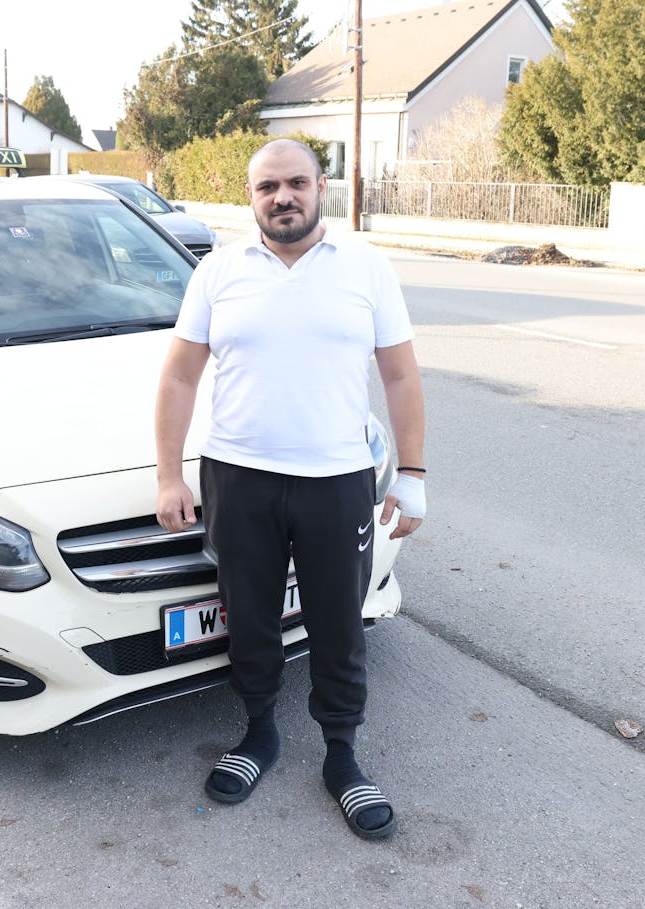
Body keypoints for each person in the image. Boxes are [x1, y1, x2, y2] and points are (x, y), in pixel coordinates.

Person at [154, 138, 427, 840]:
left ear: (320, 186)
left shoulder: (366, 268)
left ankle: (342, 756)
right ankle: (259, 734)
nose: (283, 197)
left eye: (296, 183)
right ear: (252, 197)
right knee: (248, 616)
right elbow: (181, 375)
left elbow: (400, 376)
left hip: (336, 481)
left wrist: (414, 474)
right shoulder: (218, 271)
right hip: (237, 478)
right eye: (268, 187)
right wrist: (168, 472)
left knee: (339, 622)